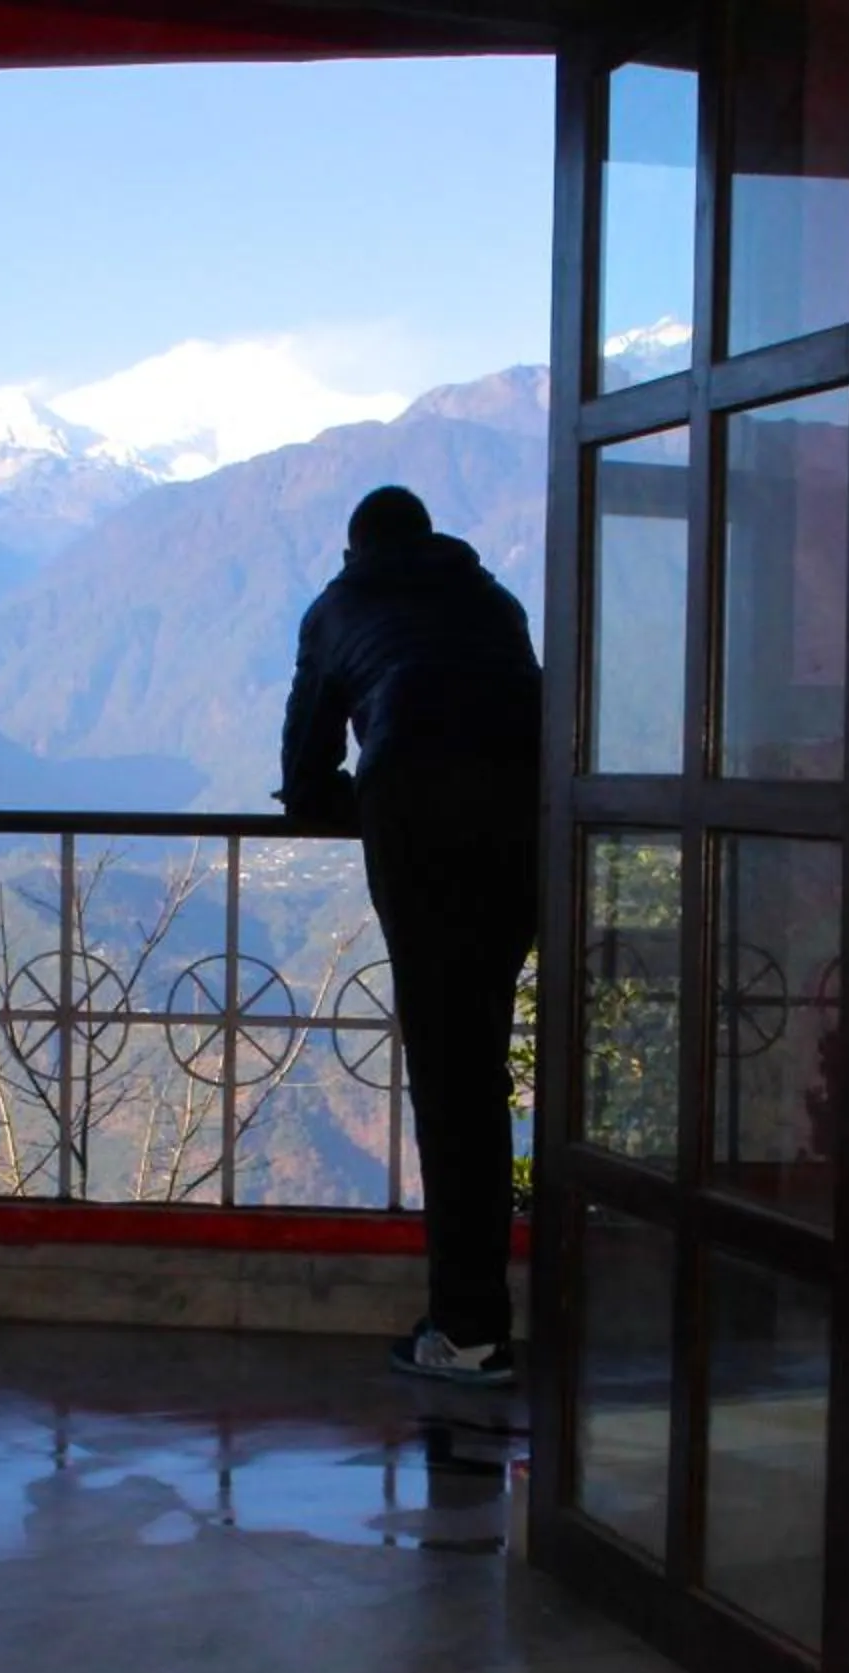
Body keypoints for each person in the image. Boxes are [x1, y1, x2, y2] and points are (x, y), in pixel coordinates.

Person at [278, 486, 541, 1387]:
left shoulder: (340, 605)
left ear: (355, 551)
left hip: (421, 810)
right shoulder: (495, 601)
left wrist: (345, 802)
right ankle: (505, 1314)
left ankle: (467, 1332)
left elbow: (307, 767)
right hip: (533, 816)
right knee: (486, 1058)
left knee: (451, 1075)